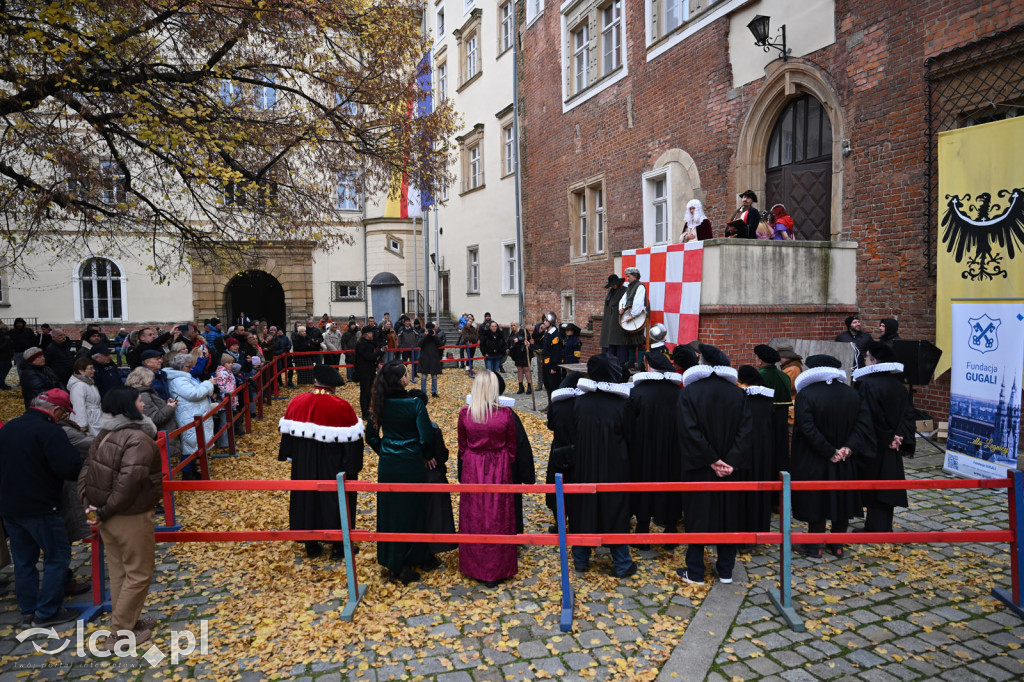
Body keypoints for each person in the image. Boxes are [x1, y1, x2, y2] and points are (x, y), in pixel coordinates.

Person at [78, 387, 162, 648]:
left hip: (107, 513)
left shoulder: (104, 433)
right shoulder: (138, 439)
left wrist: (91, 507)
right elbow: (130, 482)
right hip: (128, 514)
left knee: (120, 572)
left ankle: (127, 621)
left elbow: (86, 470)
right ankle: (120, 633)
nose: (143, 405)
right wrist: (102, 511)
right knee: (138, 572)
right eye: (139, 401)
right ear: (129, 406)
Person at [0, 389, 83, 628]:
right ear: (56, 410)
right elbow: (70, 468)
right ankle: (47, 611)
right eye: (64, 413)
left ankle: (28, 610)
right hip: (42, 506)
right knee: (57, 556)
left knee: (23, 561)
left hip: (10, 507)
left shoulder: (8, 428)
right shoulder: (50, 431)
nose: (65, 417)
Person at [675, 344, 752, 586]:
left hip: (700, 467)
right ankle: (726, 570)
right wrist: (729, 462)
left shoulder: (690, 392)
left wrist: (711, 459)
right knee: (729, 515)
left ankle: (695, 570)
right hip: (729, 469)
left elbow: (688, 431)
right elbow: (746, 432)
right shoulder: (738, 394)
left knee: (697, 515)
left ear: (703, 364)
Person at [558, 355, 638, 578]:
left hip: (585, 466)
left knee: (584, 508)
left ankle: (581, 559)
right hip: (615, 467)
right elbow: (632, 438)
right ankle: (621, 562)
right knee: (615, 509)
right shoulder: (623, 404)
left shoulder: (580, 402)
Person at [278, 364, 364, 560]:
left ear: (316, 381)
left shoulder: (296, 402)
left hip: (304, 464)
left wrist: (294, 458)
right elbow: (353, 443)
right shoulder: (341, 406)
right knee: (334, 501)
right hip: (332, 464)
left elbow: (287, 440)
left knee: (307, 498)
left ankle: (311, 544)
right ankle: (338, 547)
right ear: (333, 385)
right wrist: (351, 467)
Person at [365, 361, 440, 584]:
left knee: (390, 512)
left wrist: (386, 450)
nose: (409, 376)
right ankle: (411, 559)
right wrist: (420, 452)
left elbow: (371, 437)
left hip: (389, 464)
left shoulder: (379, 403)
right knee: (413, 510)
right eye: (407, 374)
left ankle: (394, 560)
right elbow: (426, 437)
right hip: (411, 463)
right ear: (401, 380)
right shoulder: (415, 404)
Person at [791, 354, 872, 558]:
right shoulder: (852, 394)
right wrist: (848, 448)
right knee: (841, 496)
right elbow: (863, 425)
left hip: (815, 457)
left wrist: (829, 451)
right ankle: (837, 544)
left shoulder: (806, 395)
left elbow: (806, 428)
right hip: (844, 458)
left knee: (816, 498)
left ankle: (814, 546)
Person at [457, 371, 518, 587]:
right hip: (499, 466)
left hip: (473, 466)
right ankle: (498, 566)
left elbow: (462, 445)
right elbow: (512, 446)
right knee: (498, 514)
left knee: (474, 514)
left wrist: (472, 457)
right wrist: (502, 458)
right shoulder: (505, 414)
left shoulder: (466, 413)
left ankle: (475, 565)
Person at [854, 342, 916, 533]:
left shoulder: (867, 385)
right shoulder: (898, 386)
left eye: (866, 356)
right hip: (892, 444)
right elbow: (908, 415)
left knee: (876, 485)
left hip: (876, 444)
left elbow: (870, 416)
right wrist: (900, 437)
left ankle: (876, 527)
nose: (864, 360)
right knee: (887, 483)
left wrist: (889, 438)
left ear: (875, 360)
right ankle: (879, 525)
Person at [628, 351, 684, 548]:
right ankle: (671, 531)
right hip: (672, 450)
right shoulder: (679, 393)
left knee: (643, 486)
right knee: (671, 486)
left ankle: (643, 531)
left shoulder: (638, 392)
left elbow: (628, 424)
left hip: (643, 450)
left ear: (649, 366)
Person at [736, 366, 777, 533]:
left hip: (743, 452)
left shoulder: (740, 400)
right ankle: (759, 527)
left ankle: (741, 528)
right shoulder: (767, 401)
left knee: (742, 492)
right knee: (760, 491)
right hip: (763, 453)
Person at [164, 353, 215, 480]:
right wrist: (208, 384)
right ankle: (187, 472)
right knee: (190, 444)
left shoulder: (184, 377)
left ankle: (192, 469)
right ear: (180, 367)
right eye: (188, 366)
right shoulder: (178, 380)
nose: (191, 369)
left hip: (193, 414)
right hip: (188, 416)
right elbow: (194, 394)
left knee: (195, 444)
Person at [545, 372, 584, 530]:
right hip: (579, 451)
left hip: (559, 448)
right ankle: (576, 524)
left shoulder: (557, 404)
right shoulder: (582, 404)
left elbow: (550, 425)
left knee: (557, 488)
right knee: (576, 488)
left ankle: (560, 522)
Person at [755, 344, 792, 483]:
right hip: (782, 419)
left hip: (765, 419)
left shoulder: (760, 376)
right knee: (781, 450)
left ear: (760, 360)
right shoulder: (784, 376)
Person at [617, 268, 648, 367]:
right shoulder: (630, 287)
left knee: (639, 341)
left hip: (638, 317)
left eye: (629, 276)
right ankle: (631, 362)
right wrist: (621, 308)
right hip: (629, 316)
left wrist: (633, 315)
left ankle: (640, 363)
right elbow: (623, 299)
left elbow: (639, 303)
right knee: (630, 341)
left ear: (635, 276)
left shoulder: (640, 287)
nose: (627, 278)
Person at [68, 357, 104, 436]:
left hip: (95, 419)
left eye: (93, 368)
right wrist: (82, 425)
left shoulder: (89, 383)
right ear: (81, 371)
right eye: (90, 368)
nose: (93, 370)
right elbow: (79, 406)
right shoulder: (79, 386)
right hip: (89, 419)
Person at [599, 274, 628, 362]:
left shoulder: (625, 291)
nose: (613, 286)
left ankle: (620, 362)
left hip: (618, 321)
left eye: (614, 284)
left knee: (618, 342)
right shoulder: (611, 292)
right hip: (608, 321)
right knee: (608, 343)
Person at [353, 326, 379, 417]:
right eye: (371, 332)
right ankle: (364, 412)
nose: (372, 334)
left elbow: (373, 357)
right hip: (363, 371)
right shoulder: (360, 344)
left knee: (370, 391)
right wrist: (379, 352)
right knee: (365, 392)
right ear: (367, 334)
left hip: (371, 370)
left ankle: (368, 409)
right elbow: (369, 357)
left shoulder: (369, 343)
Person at [416, 322, 445, 398]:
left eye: (431, 329)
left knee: (434, 377)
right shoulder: (422, 335)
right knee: (423, 377)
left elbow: (440, 344)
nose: (430, 331)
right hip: (424, 358)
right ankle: (423, 392)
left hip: (434, 358)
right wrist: (425, 335)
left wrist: (434, 336)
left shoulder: (435, 336)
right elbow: (419, 344)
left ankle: (434, 392)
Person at [539, 313, 562, 401]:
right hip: (545, 364)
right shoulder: (547, 334)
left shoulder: (555, 335)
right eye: (544, 320)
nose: (544, 322)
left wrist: (554, 367)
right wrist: (529, 345)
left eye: (546, 320)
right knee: (547, 385)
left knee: (553, 386)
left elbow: (557, 353)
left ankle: (555, 405)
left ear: (551, 322)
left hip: (551, 365)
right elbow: (541, 347)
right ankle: (550, 404)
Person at [508, 322, 531, 394]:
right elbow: (509, 342)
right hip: (517, 353)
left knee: (526, 369)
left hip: (524, 352)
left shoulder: (522, 331)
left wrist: (519, 339)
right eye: (511, 325)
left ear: (517, 326)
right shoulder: (511, 334)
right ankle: (521, 386)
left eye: (514, 325)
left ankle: (529, 386)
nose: (513, 327)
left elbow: (527, 337)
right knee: (519, 370)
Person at [0, 322, 14, 389]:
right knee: (4, 371)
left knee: (2, 371)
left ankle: (2, 384)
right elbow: (5, 347)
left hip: (3, 356)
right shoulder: (7, 337)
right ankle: (2, 385)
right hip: (5, 356)